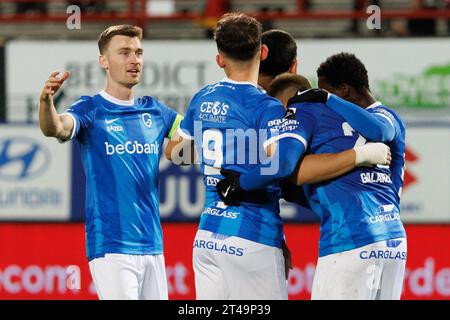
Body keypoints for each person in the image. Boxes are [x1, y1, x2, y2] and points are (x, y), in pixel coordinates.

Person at [165, 13, 390, 299]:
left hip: (207, 239)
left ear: (219, 59)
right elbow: (281, 164)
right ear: (262, 51)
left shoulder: (202, 98)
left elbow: (174, 153)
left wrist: (218, 147)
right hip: (252, 235)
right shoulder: (267, 108)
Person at [218, 53, 407, 300]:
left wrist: (239, 183)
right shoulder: (373, 121)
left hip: (349, 238)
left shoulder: (306, 111)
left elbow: (285, 165)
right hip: (393, 238)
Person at [38, 25, 182, 300]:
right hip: (111, 246)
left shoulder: (156, 110)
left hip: (153, 245)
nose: (134, 60)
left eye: (138, 52)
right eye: (125, 52)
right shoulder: (90, 108)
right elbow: (56, 128)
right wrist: (46, 102)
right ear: (103, 61)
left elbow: (190, 141)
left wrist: (187, 149)